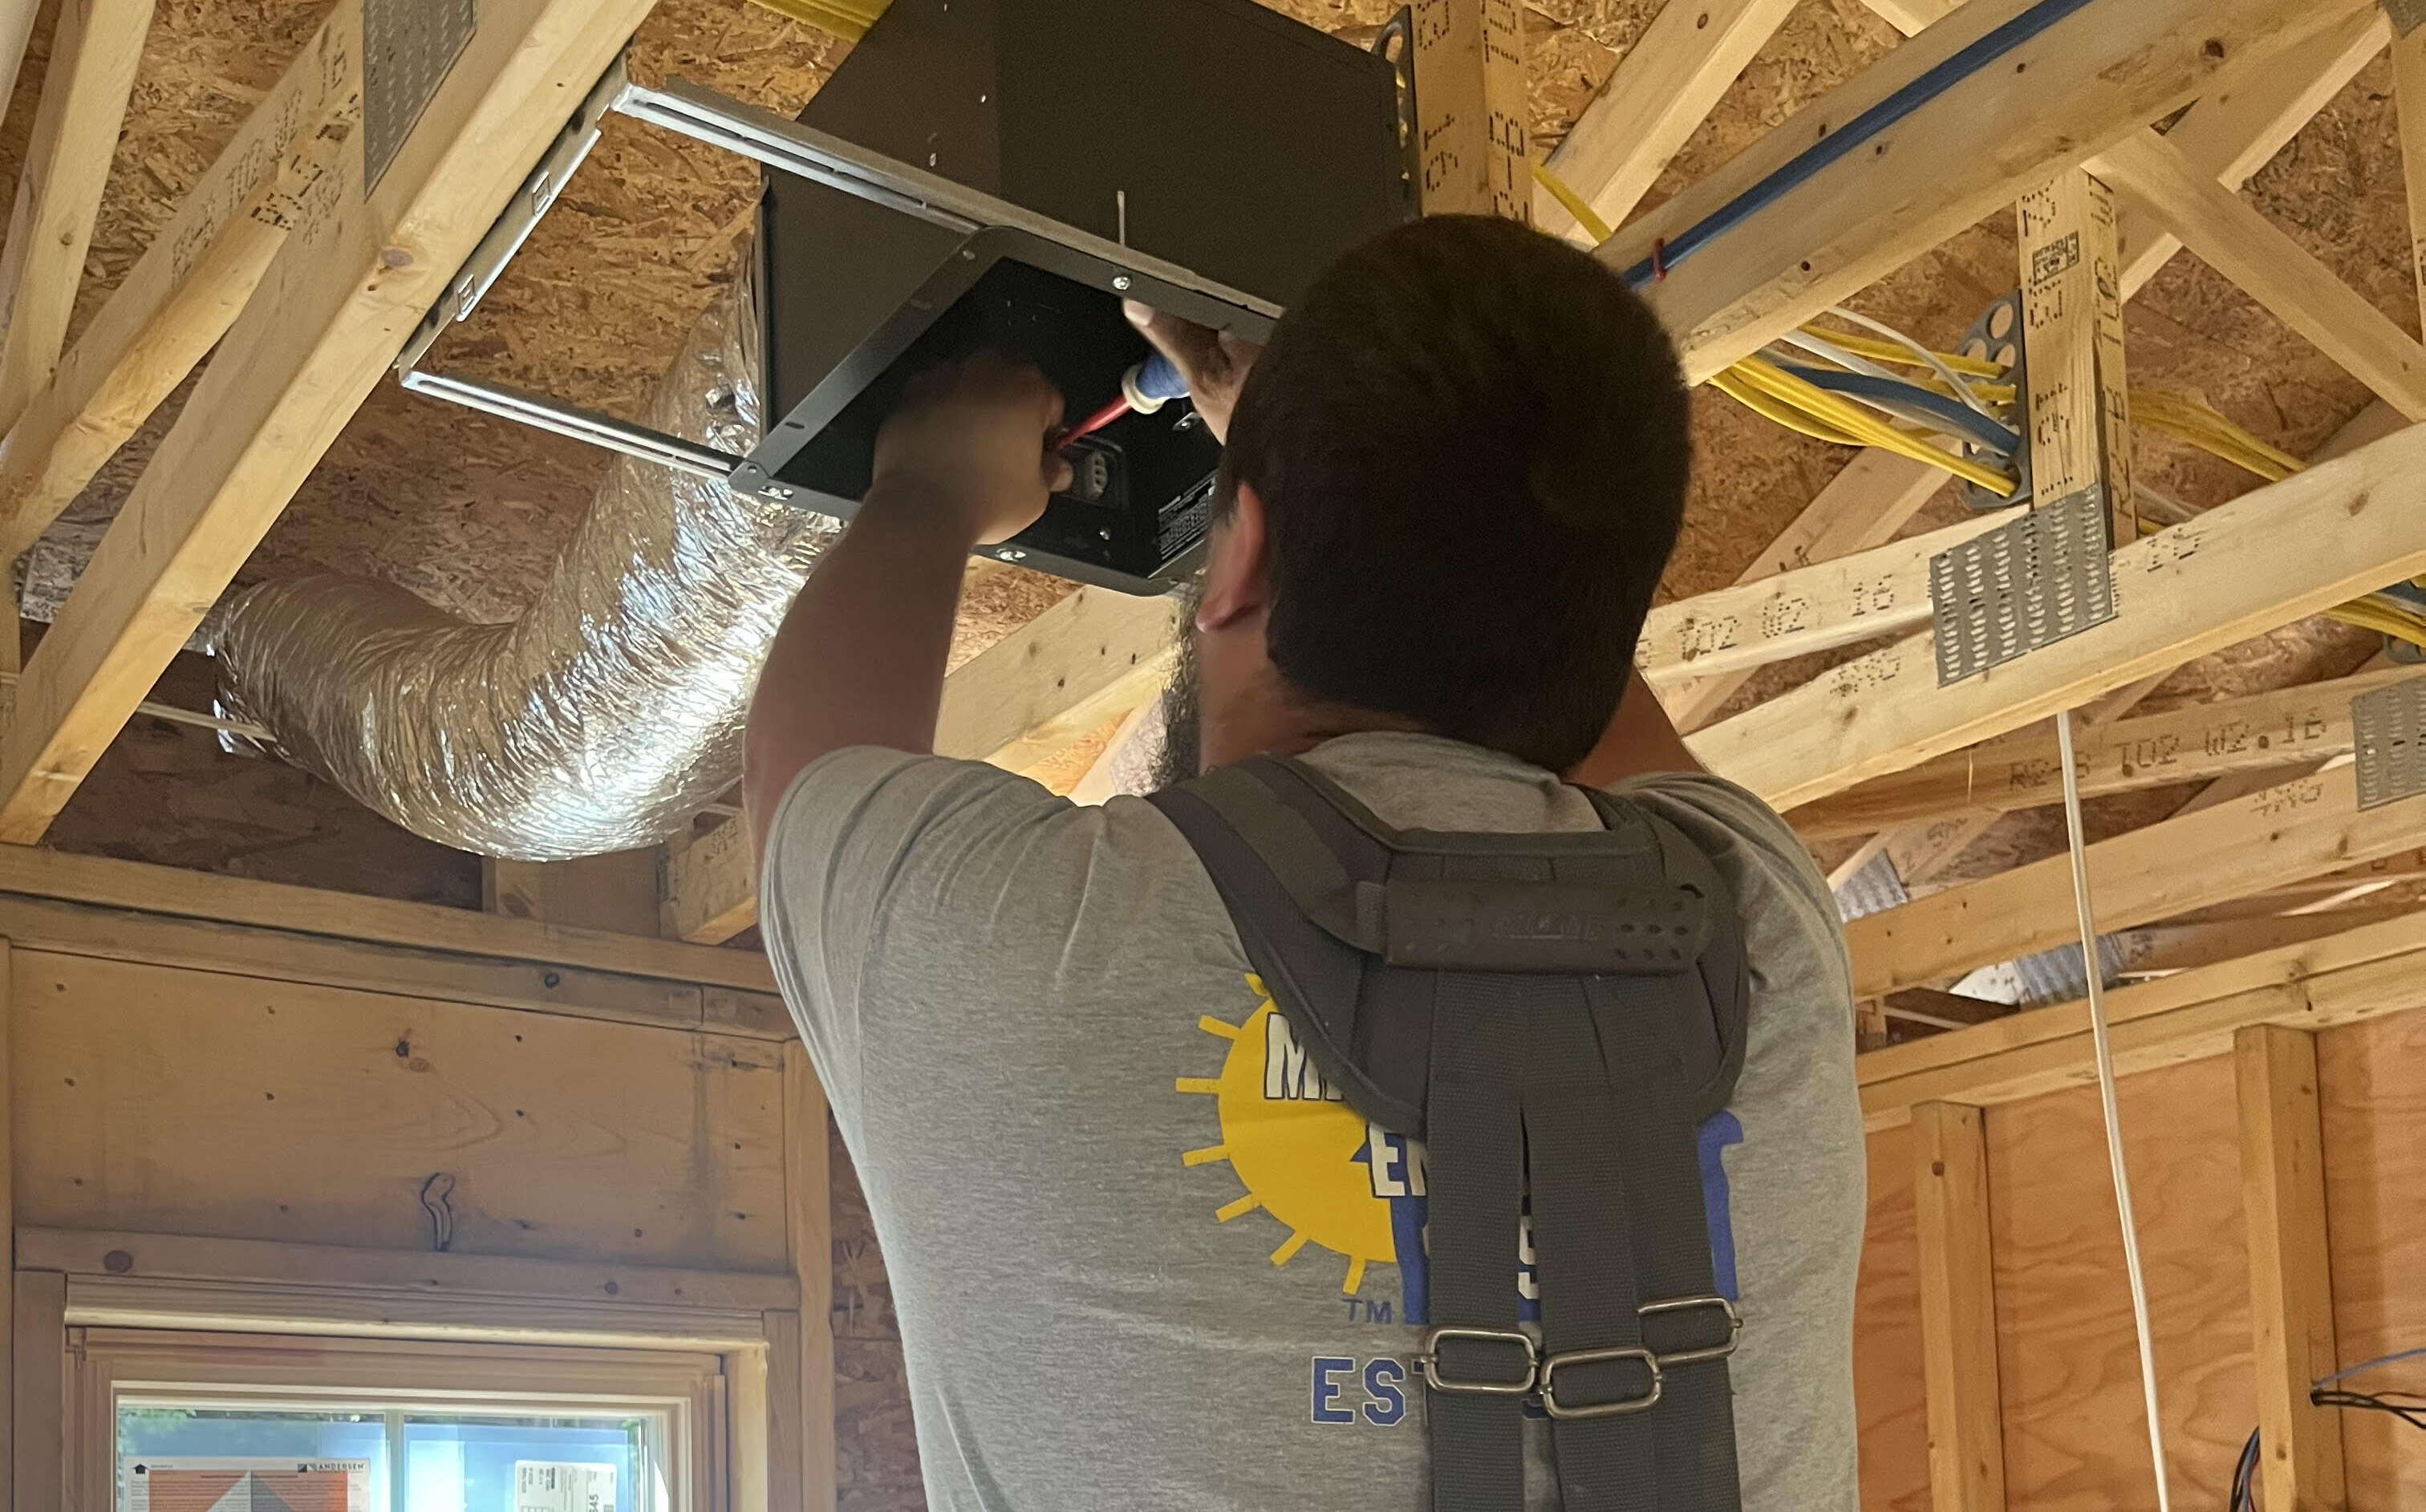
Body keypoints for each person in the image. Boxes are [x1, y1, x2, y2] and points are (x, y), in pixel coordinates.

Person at [744, 214, 1862, 1511]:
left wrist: (932, 476)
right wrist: (931, 498)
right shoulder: (1752, 931)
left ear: (1244, 559)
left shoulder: (1767, 914)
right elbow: (810, 800)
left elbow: (803, 787)